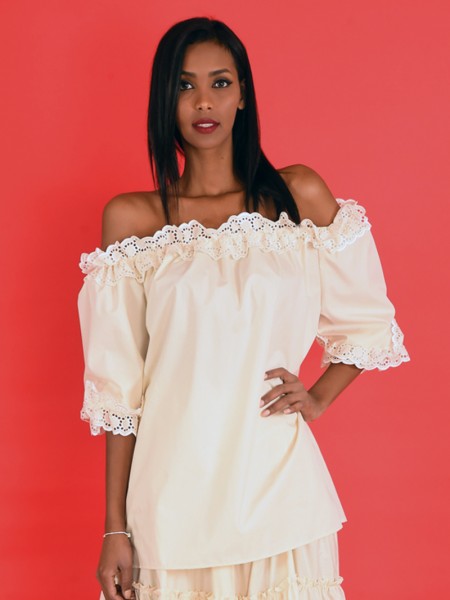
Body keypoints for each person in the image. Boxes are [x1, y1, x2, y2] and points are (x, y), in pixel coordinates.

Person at [78, 17, 410, 600]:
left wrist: (318, 397)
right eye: (185, 85)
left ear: (243, 95)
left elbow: (368, 321)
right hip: (171, 503)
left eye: (220, 82)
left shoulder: (298, 197)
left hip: (280, 496)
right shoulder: (133, 221)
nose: (203, 101)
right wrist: (115, 529)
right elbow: (119, 394)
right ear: (165, 99)